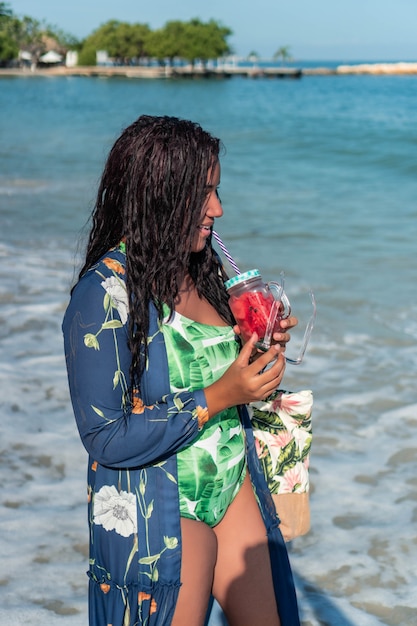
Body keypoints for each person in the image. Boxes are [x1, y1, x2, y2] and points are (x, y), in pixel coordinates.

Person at [62, 114, 301, 626]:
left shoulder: (207, 268)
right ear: (160, 194)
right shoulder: (102, 295)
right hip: (164, 502)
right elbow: (104, 436)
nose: (217, 208)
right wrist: (218, 396)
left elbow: (222, 372)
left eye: (217, 191)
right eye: (204, 193)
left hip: (232, 485)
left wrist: (260, 346)